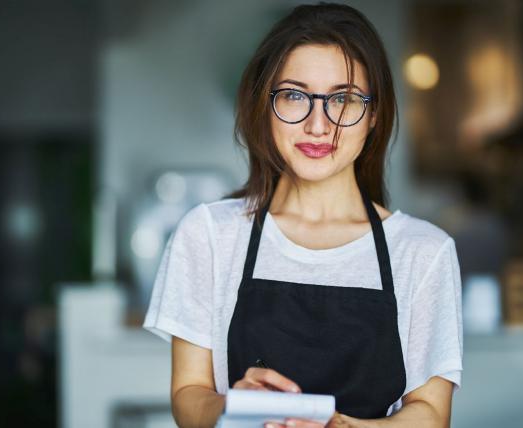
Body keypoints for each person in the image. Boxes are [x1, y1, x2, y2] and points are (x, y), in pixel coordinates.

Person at [143, 3, 463, 427]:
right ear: (264, 105)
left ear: (374, 115)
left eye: (344, 99)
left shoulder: (424, 252)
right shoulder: (208, 235)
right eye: (295, 95)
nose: (317, 125)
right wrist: (236, 407)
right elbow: (188, 397)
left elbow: (430, 413)